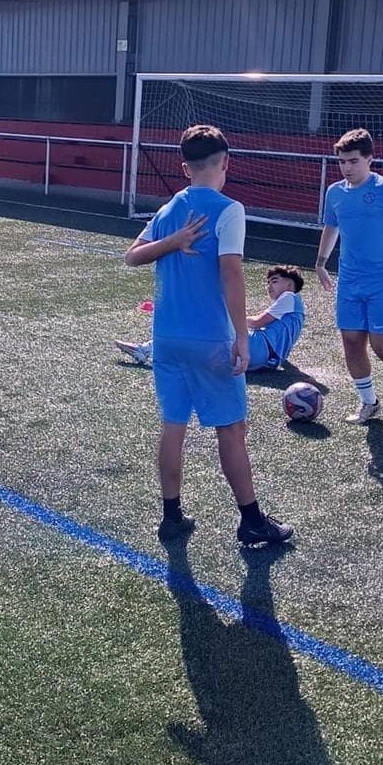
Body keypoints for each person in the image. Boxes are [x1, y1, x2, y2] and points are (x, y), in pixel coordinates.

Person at [124, 124, 292, 549]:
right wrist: (240, 336)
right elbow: (231, 271)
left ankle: (171, 517)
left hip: (166, 339)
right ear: (226, 163)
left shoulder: (169, 209)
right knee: (231, 430)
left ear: (184, 168)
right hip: (210, 340)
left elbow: (132, 256)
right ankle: (252, 522)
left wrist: (172, 240)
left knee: (173, 426)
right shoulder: (229, 209)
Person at [315, 128, 383, 424]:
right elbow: (331, 226)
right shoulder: (335, 192)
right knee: (351, 341)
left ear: (370, 159)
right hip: (350, 280)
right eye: (342, 162)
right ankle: (369, 403)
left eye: (353, 161)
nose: (347, 168)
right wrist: (321, 262)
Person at [114, 264, 306, 372]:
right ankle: (152, 350)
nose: (269, 286)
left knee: (202, 322)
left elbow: (256, 322)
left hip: (257, 347)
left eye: (275, 281)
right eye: (268, 282)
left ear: (290, 286)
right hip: (264, 359)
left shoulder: (290, 297)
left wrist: (230, 316)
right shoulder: (294, 309)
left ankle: (146, 349)